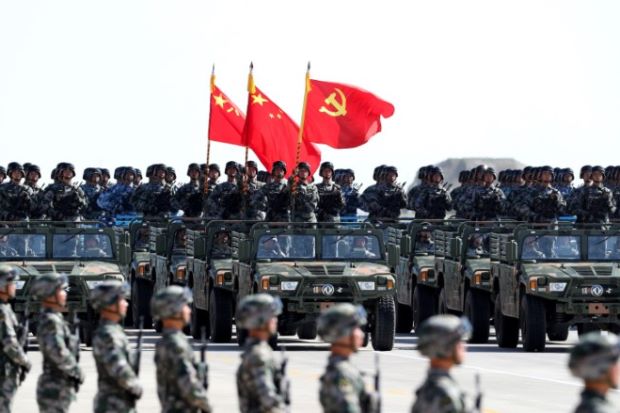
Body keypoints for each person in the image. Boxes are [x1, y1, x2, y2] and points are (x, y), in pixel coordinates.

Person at [152, 286, 211, 412]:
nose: (188, 310)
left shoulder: (167, 341)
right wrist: (206, 405)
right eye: (184, 305)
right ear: (174, 310)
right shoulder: (176, 344)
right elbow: (188, 383)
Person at [31, 273, 83, 413]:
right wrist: (76, 370)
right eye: (61, 290)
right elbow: (57, 351)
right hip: (54, 386)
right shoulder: (50, 321)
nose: (65, 294)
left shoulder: (53, 318)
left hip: (58, 383)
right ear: (49, 294)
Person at [90, 281, 142, 413]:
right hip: (113, 404)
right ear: (110, 303)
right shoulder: (108, 334)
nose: (126, 304)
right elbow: (118, 366)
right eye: (121, 300)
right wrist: (134, 385)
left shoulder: (113, 331)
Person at [318, 303, 378, 413]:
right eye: (356, 328)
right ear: (342, 333)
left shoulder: (342, 369)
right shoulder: (342, 374)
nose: (361, 334)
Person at [236, 294, 288, 413]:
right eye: (272, 316)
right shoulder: (259, 356)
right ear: (260, 320)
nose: (275, 320)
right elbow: (267, 399)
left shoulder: (254, 352)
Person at [411, 315, 473, 413]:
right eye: (459, 342)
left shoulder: (429, 388)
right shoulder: (445, 394)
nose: (463, 346)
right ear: (445, 348)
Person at [0, 265, 31, 412]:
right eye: (11, 283)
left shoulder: (5, 308)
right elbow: (9, 343)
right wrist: (24, 361)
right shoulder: (2, 311)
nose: (14, 286)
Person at [568, 332, 620, 413]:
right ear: (601, 368)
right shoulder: (600, 410)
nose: (618, 368)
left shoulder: (585, 407)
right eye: (614, 362)